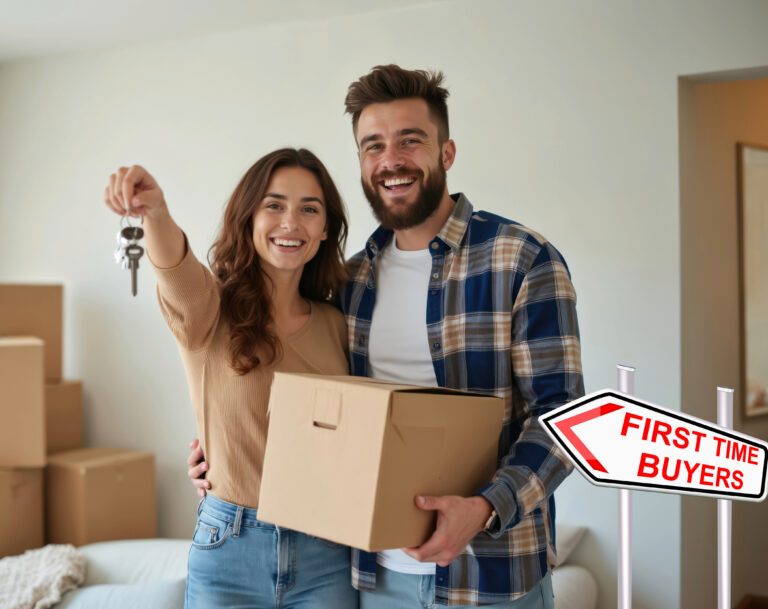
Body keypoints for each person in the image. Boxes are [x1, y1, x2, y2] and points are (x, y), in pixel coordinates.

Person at [190, 65, 584, 608]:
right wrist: (223, 451)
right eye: (373, 145)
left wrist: (486, 508)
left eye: (410, 141)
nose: (391, 160)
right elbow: (319, 406)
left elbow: (565, 418)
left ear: (446, 153)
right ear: (360, 162)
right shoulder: (349, 283)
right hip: (374, 578)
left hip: (489, 574)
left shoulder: (521, 259)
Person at [104, 149, 358, 609]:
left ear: (325, 230)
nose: (291, 222)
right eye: (274, 205)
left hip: (327, 553)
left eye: (309, 209)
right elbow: (175, 272)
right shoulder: (209, 309)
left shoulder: (337, 324)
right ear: (248, 218)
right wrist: (155, 212)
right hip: (230, 548)